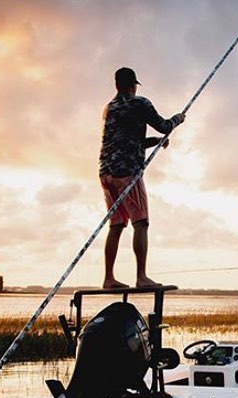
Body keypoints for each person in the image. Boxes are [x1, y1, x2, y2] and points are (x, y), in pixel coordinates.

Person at [99, 67, 185, 289]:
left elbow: (126, 139)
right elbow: (165, 125)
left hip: (106, 173)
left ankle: (108, 278)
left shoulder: (109, 108)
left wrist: (155, 141)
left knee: (116, 224)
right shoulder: (139, 103)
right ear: (133, 85)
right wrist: (178, 119)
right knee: (141, 223)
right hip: (127, 172)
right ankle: (141, 277)